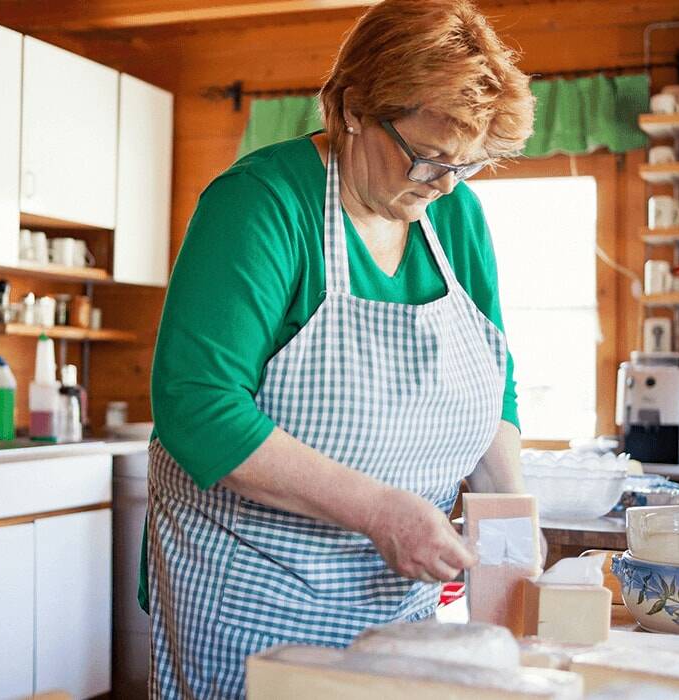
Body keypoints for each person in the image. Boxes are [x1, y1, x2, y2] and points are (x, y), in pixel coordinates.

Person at [146, 0, 537, 696]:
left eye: (466, 166)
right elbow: (196, 406)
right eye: (427, 157)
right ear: (355, 107)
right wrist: (380, 512)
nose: (444, 183)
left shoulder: (457, 216)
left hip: (399, 606)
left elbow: (492, 383)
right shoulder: (263, 204)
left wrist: (512, 528)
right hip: (255, 602)